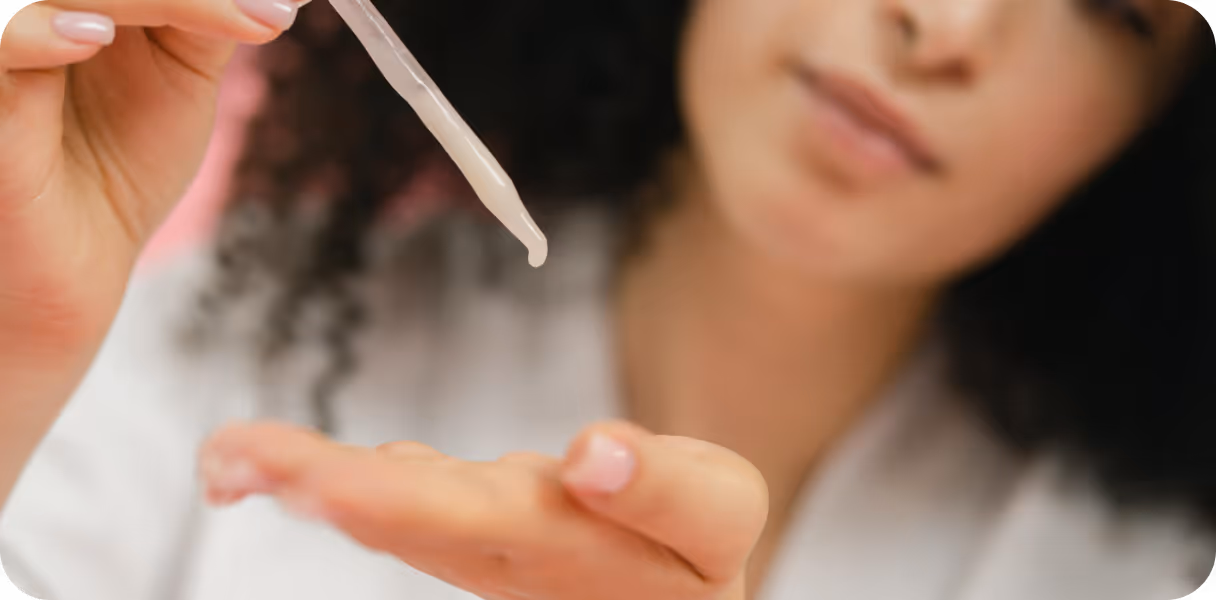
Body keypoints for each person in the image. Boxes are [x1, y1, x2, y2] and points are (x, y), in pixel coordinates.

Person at [1, 1, 1214, 599]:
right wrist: (16, 356)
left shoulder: (1144, 568)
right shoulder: (223, 333)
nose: (942, 26)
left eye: (1111, 8)